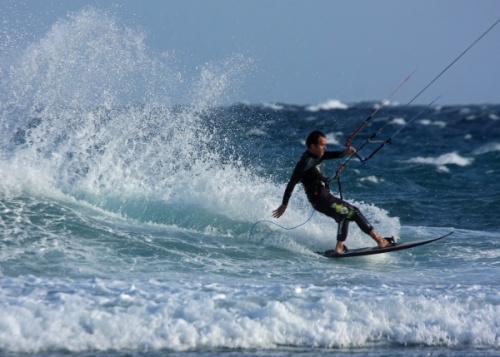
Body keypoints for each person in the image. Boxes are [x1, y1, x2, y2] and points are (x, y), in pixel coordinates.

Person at [273, 130, 395, 253]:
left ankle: (339, 247)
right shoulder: (305, 162)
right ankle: (380, 241)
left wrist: (344, 153)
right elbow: (291, 184)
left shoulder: (318, 155)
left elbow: (330, 155)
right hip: (322, 200)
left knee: (344, 215)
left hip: (322, 199)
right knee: (354, 212)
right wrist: (284, 204)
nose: (324, 148)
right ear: (312, 146)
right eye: (322, 145)